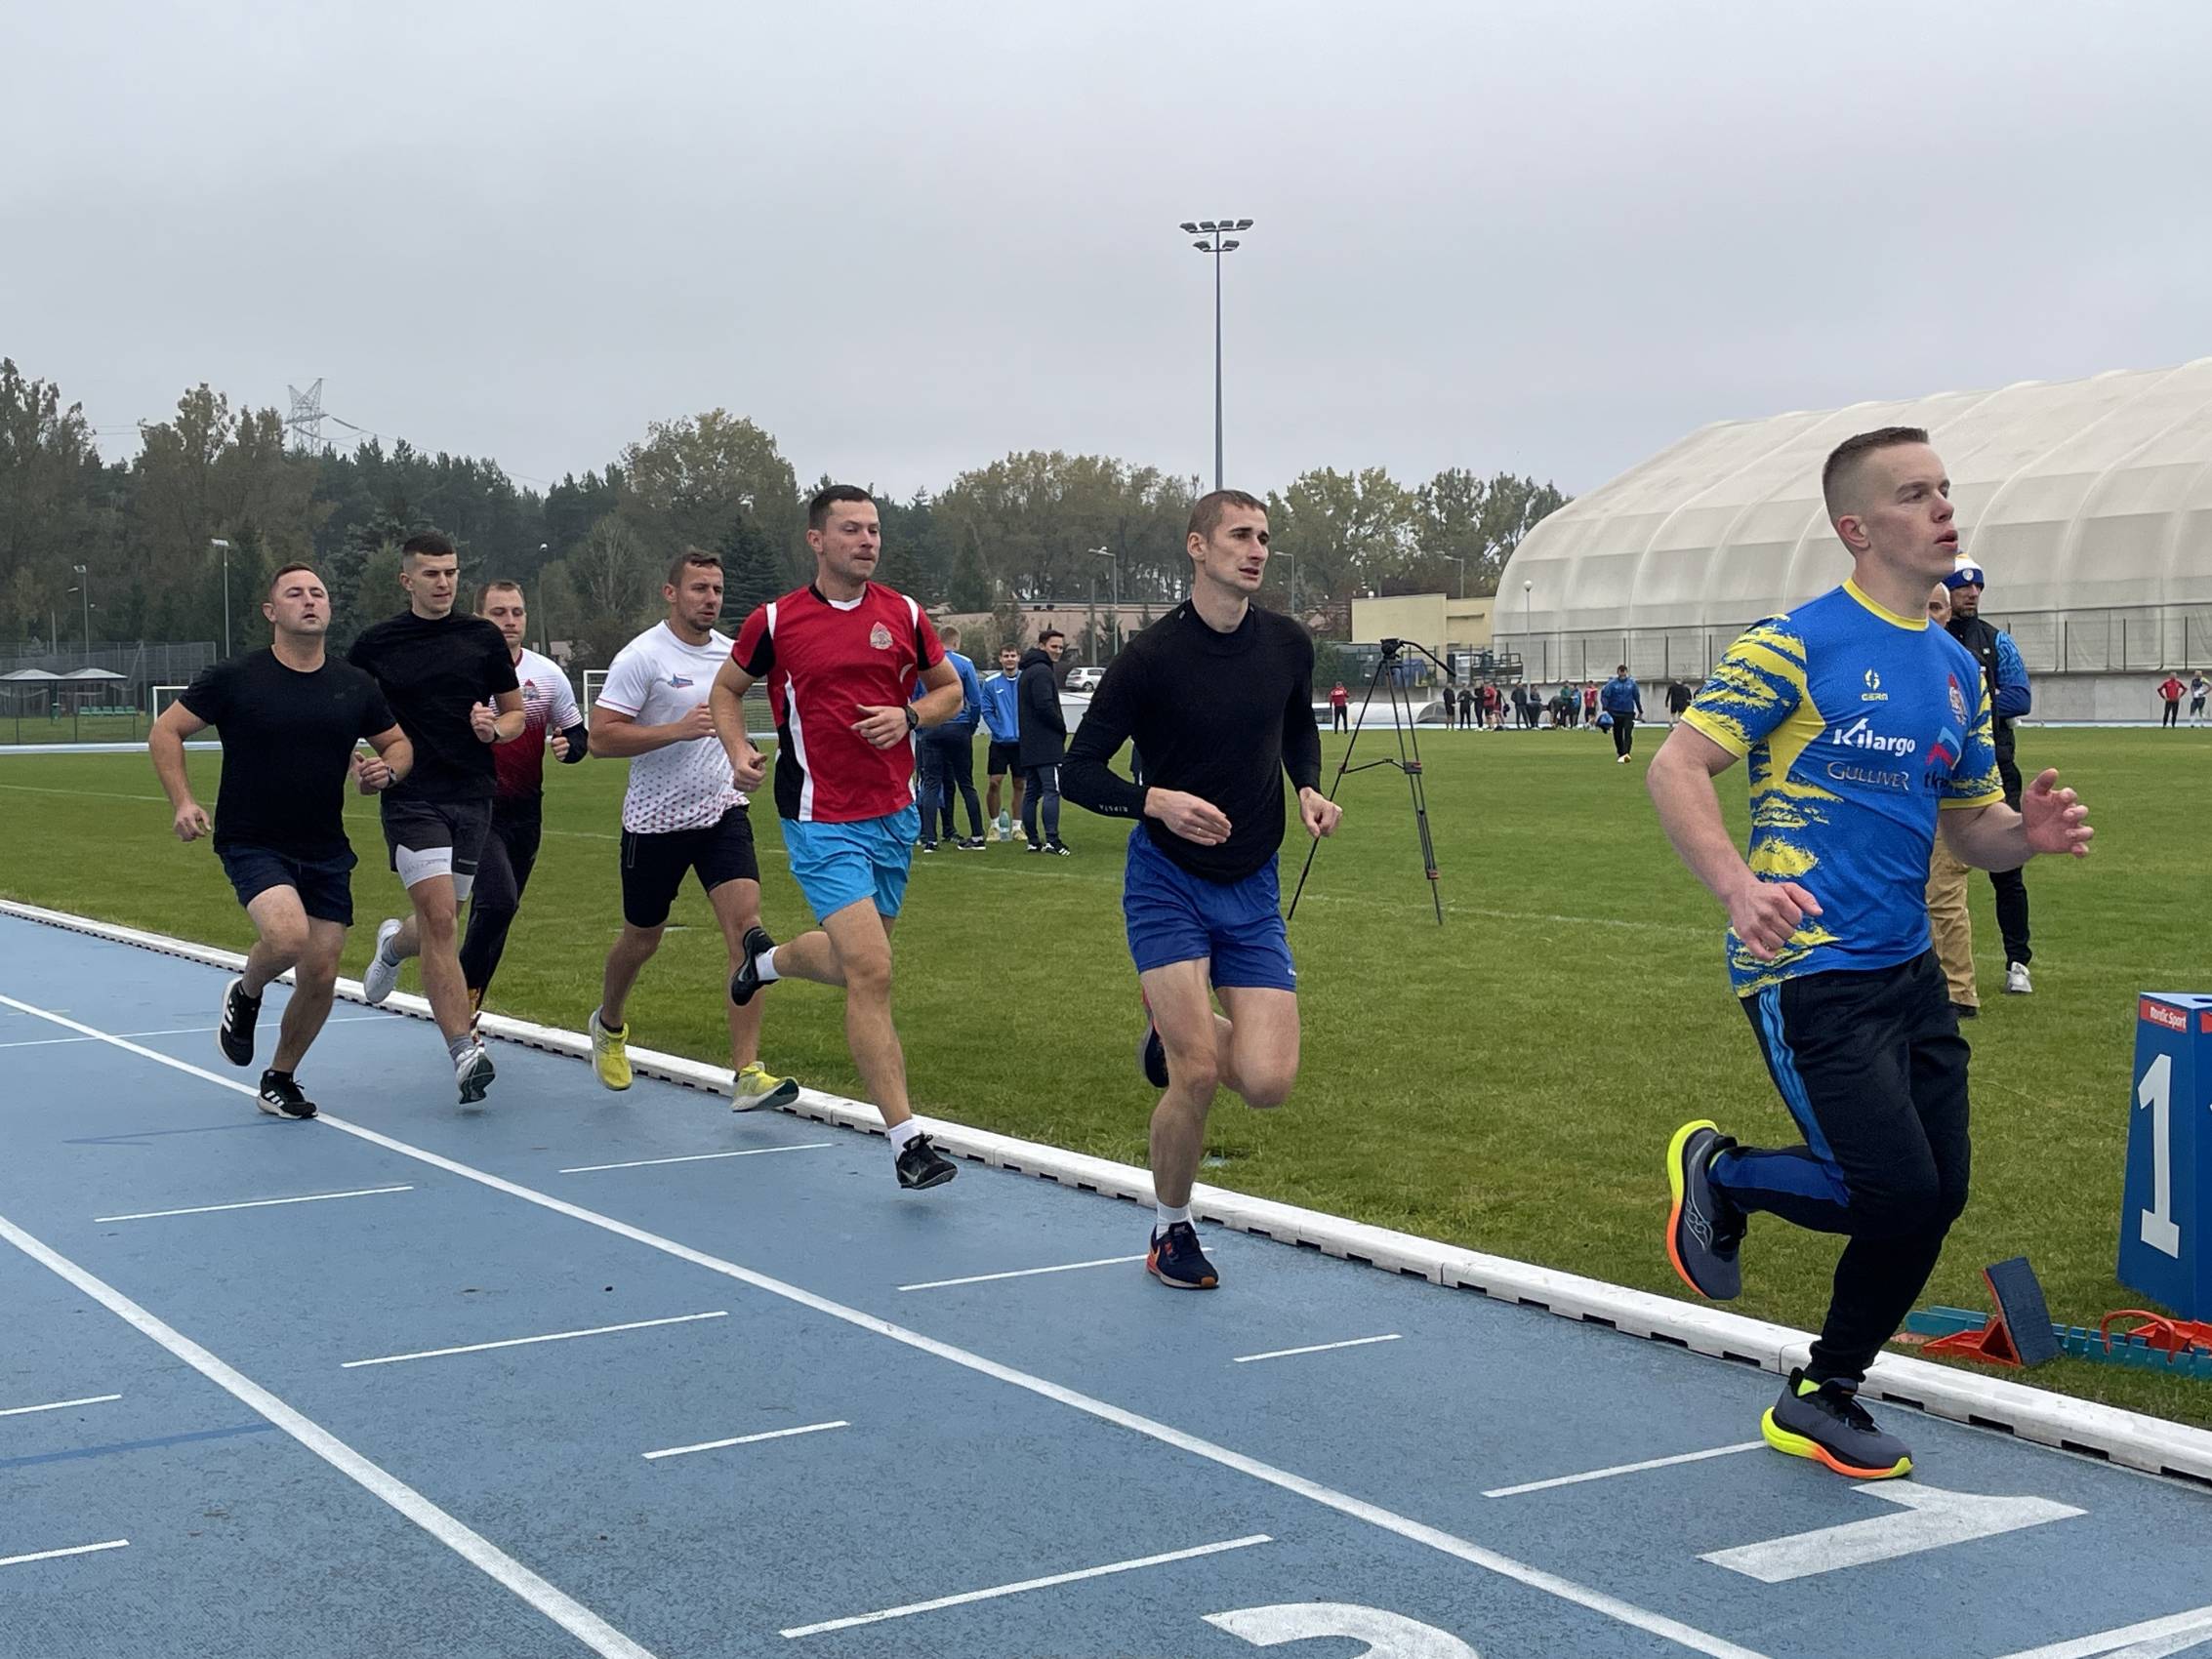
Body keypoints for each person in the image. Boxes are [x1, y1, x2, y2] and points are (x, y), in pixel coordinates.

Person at [1649, 426, 2092, 1479]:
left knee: (1936, 1195)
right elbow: (1676, 766)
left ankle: (1822, 1394)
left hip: (1909, 971)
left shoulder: (1956, 669)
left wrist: (2024, 836)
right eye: (1913, 493)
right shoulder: (1792, 643)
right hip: (1807, 964)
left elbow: (1970, 829)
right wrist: (1738, 887)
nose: (1943, 508)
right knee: (1889, 1192)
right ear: (1855, 527)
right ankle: (1726, 1176)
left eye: (1945, 488)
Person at [1062, 489, 1340, 1291]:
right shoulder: (1151, 658)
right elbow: (1078, 772)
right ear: (1197, 547)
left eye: (1264, 538)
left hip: (1252, 883)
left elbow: (1296, 725)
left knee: (1268, 1083)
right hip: (1167, 882)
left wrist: (1307, 787)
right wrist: (1154, 800)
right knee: (1198, 1074)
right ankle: (1171, 1229)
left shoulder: (1286, 643)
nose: (1256, 551)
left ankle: (1170, 1022)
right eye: (1240, 536)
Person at [712, 484, 965, 1192]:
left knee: (858, 960)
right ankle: (907, 1142)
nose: (867, 540)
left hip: (894, 814)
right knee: (873, 970)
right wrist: (737, 750)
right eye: (851, 529)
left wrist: (909, 717)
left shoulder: (904, 614)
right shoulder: (774, 620)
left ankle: (765, 961)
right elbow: (727, 690)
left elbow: (950, 691)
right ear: (817, 540)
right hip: (819, 816)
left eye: (874, 529)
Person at [149, 564, 412, 1119]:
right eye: (295, 593)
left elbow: (399, 744)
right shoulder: (235, 677)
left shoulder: (353, 684)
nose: (309, 601)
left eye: (318, 593)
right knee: (288, 937)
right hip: (253, 839)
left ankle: (280, 1078)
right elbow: (166, 730)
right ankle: (246, 992)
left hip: (325, 847)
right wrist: (183, 801)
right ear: (272, 611)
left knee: (322, 972)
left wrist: (385, 771)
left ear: (329, 608)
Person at [584, 549, 799, 1113]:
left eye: (718, 590)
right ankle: (609, 1023)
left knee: (747, 933)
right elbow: (600, 738)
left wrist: (744, 760)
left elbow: (732, 727)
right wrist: (675, 730)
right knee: (642, 939)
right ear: (671, 593)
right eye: (699, 588)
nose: (710, 599)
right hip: (654, 822)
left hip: (722, 814)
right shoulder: (642, 657)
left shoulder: (732, 655)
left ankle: (748, 1072)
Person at [349, 531, 524, 1105]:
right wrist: (360, 763)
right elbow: (342, 712)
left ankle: (392, 946)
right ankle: (463, 1052)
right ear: (407, 580)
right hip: (411, 796)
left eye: (451, 572)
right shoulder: (376, 644)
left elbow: (516, 714)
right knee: (444, 921)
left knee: (439, 922)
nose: (444, 582)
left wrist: (494, 730)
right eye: (431, 573)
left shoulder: (482, 637)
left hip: (472, 796)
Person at [458, 581, 588, 1019]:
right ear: (479, 618)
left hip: (526, 812)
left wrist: (571, 746)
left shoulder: (546, 675)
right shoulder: (461, 673)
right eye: (499, 613)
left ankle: (468, 1007)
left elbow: (576, 732)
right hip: (476, 808)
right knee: (497, 901)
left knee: (500, 914)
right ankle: (457, 1006)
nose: (510, 621)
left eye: (517, 612)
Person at [1944, 557, 2036, 994]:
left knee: (2008, 872)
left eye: (1977, 586)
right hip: (1940, 771)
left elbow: (2020, 697)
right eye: (1963, 587)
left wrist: (1968, 700)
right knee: (1931, 877)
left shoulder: (1997, 641)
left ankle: (2018, 961)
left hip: (1996, 768)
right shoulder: (1929, 636)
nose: (1973, 594)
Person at [1920, 582, 1979, 1018]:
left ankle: (1959, 990)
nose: (1931, 613)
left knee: (1944, 894)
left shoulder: (1960, 668)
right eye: (1925, 605)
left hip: (1946, 798)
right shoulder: (1890, 659)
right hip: (1900, 800)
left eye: (1938, 607)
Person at [915, 623, 986, 851]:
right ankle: (977, 836)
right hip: (958, 727)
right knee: (966, 782)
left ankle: (930, 839)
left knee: (931, 783)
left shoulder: (925, 663)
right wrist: (971, 724)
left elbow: (915, 697)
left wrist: (920, 726)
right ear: (956, 642)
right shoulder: (965, 663)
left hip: (932, 727)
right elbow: (975, 700)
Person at [1017, 627, 1073, 855]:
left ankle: (1033, 840)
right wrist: (1061, 726)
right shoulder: (1042, 671)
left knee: (1032, 791)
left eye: (1060, 647)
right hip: (1046, 743)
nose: (1058, 651)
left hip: (1029, 742)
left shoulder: (1027, 671)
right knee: (1051, 790)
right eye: (1053, 646)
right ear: (1042, 645)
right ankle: (1052, 840)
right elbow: (1044, 705)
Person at [978, 643, 1028, 842]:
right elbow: (987, 710)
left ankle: (1017, 826)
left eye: (1013, 655)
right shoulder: (991, 683)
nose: (1009, 659)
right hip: (999, 742)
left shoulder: (1026, 680)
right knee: (994, 782)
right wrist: (998, 730)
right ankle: (994, 826)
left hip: (1021, 742)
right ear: (1000, 659)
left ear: (1018, 658)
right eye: (1006, 655)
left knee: (1020, 783)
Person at [1601, 664, 1643, 762]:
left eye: (1624, 671)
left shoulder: (1632, 684)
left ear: (1626, 672)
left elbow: (1636, 697)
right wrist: (1606, 708)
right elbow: (1605, 696)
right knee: (1617, 734)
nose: (1623, 674)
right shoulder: (1612, 684)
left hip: (1628, 712)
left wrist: (1640, 710)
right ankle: (1620, 752)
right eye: (1621, 671)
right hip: (1615, 712)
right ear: (1618, 672)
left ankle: (1626, 753)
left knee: (1628, 733)